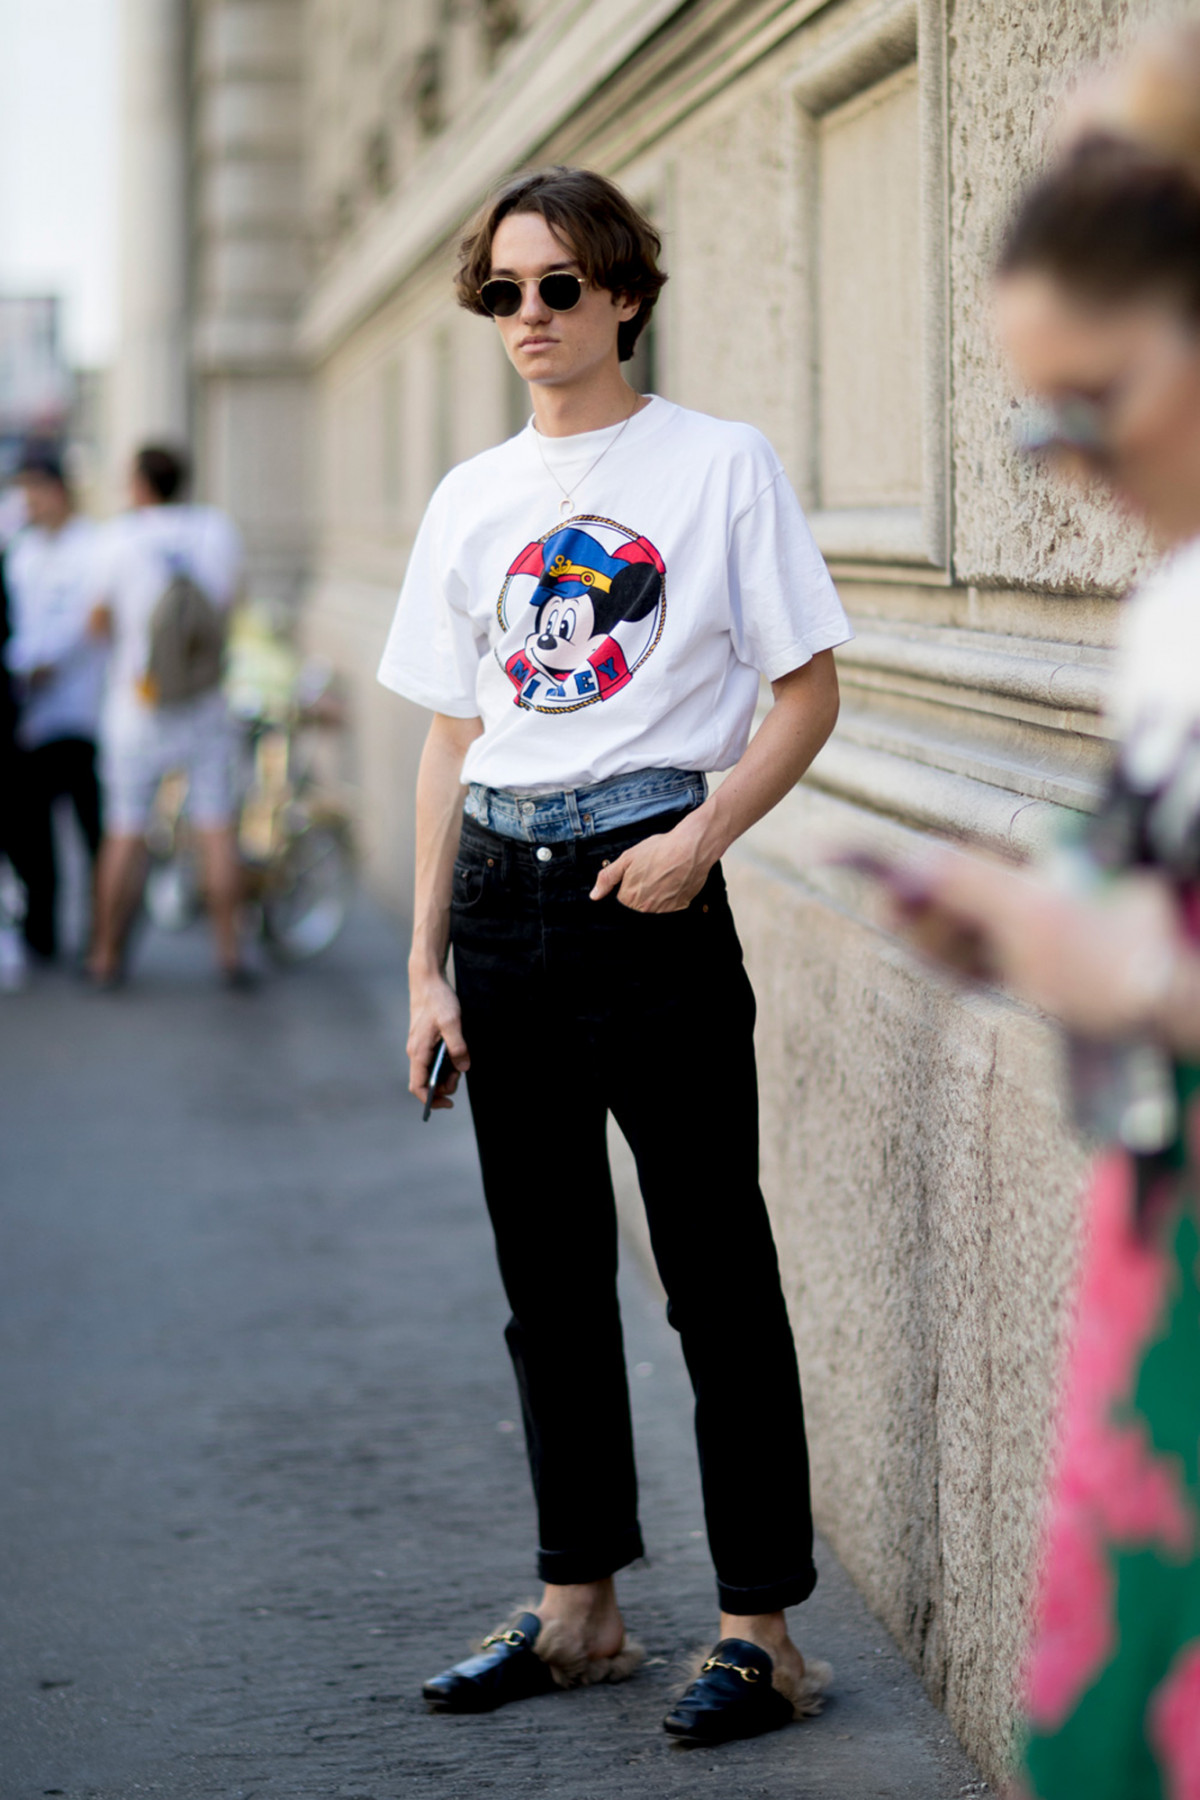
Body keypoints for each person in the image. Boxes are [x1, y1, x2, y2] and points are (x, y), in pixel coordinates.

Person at [378, 165, 851, 1745]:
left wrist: (703, 837)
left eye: (560, 287)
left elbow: (806, 692)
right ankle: (579, 1608)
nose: (529, 315)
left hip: (648, 887)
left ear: (626, 295)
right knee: (550, 1282)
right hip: (501, 904)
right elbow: (453, 738)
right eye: (504, 292)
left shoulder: (717, 464)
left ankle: (761, 1632)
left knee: (715, 1271)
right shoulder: (470, 496)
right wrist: (427, 969)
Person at [860, 29, 1200, 1798]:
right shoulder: (1171, 618)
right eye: (1034, 419)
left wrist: (1133, 967)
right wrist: (1035, 914)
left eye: (1099, 396)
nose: (1071, 460)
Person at [87, 444, 247, 987]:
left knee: (125, 827)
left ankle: (105, 955)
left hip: (137, 703)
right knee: (215, 824)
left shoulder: (117, 538)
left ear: (139, 485)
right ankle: (230, 952)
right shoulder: (216, 531)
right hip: (204, 699)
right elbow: (232, 605)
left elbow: (97, 622)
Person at [2, 449, 106, 963]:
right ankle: (40, 934)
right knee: (33, 836)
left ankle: (103, 937)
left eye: (35, 490)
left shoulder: (96, 547)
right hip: (33, 717)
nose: (29, 501)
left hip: (86, 715)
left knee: (95, 835)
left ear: (59, 490)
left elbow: (92, 621)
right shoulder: (22, 550)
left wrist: (46, 662)